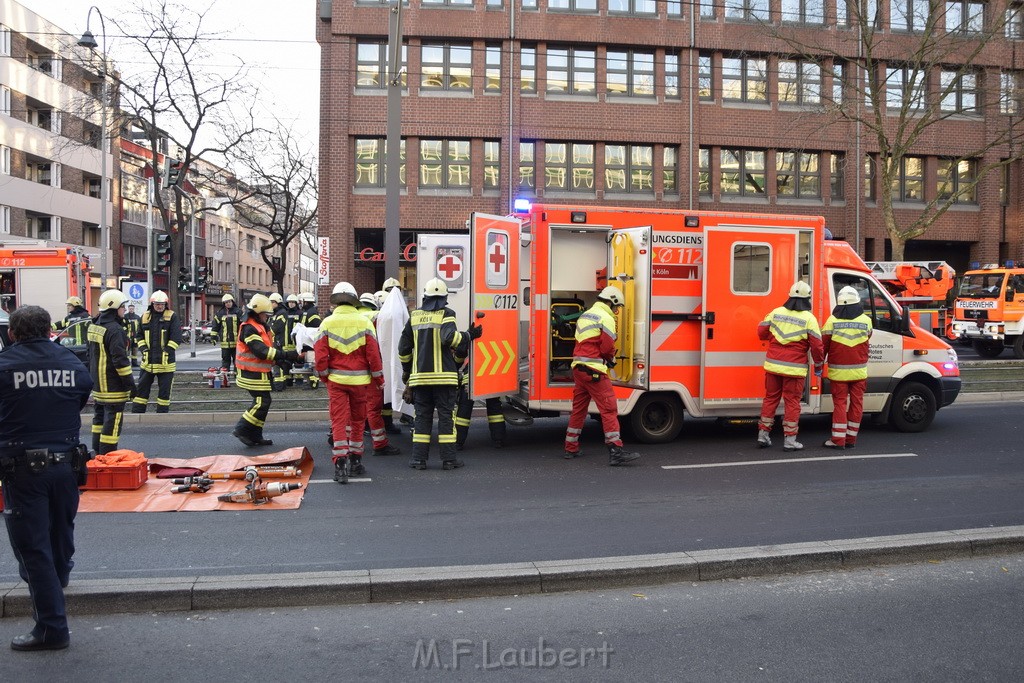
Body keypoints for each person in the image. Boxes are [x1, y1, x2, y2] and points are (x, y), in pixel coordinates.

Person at [0, 306, 92, 652]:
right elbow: (81, 397)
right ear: (50, 329)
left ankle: (51, 628)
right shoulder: (70, 361)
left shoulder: (5, 364)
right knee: (61, 527)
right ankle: (61, 575)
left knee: (33, 550)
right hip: (66, 465)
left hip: (23, 469)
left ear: (13, 332)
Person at [398, 278, 481, 470]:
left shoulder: (415, 316)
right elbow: (450, 338)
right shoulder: (447, 313)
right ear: (444, 298)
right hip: (444, 380)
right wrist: (469, 335)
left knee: (422, 419)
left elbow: (403, 349)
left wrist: (407, 373)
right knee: (445, 419)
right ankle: (448, 459)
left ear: (425, 297)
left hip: (420, 381)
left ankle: (418, 459)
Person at [315, 282, 387, 482]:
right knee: (357, 421)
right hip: (360, 382)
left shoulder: (326, 323)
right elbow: (374, 355)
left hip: (336, 381)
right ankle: (355, 461)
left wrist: (324, 376)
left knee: (339, 421)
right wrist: (379, 379)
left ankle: (340, 463)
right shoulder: (364, 323)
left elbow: (320, 357)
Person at [562, 286, 640, 466]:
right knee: (609, 409)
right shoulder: (606, 317)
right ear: (611, 301)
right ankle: (616, 450)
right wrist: (610, 359)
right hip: (594, 370)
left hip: (579, 368)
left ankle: (570, 447)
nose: (616, 310)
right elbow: (606, 348)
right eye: (616, 306)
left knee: (579, 409)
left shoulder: (586, 314)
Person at [756, 280, 825, 452]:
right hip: (794, 369)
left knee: (770, 399)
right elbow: (817, 346)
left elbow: (761, 332)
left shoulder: (776, 312)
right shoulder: (809, 318)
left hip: (773, 366)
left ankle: (763, 436)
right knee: (792, 403)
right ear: (807, 299)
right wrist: (818, 365)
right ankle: (790, 440)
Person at [232, 294, 299, 448]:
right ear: (258, 312)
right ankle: (241, 429)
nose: (267, 318)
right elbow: (262, 352)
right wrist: (288, 355)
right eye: (266, 315)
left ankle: (255, 435)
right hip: (251, 373)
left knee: (264, 402)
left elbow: (269, 350)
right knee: (262, 401)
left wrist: (284, 359)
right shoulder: (249, 328)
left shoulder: (259, 325)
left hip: (257, 372)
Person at [822, 286, 873, 450]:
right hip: (859, 372)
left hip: (838, 373)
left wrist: (818, 364)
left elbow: (824, 345)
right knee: (857, 404)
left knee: (840, 405)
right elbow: (868, 337)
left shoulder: (832, 321)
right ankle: (851, 439)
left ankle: (837, 440)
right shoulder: (866, 320)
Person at [87, 289, 136, 454]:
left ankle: (97, 455)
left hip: (98, 386)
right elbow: (120, 361)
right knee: (112, 424)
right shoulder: (115, 330)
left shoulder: (94, 326)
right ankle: (108, 457)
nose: (124, 309)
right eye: (123, 306)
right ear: (114, 308)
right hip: (113, 387)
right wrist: (130, 384)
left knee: (99, 420)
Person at [358, 292, 401, 456]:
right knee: (373, 409)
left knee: (348, 408)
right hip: (370, 371)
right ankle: (380, 444)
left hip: (347, 372)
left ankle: (336, 437)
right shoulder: (378, 317)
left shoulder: (347, 319)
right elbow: (376, 350)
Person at [130, 290, 181, 414]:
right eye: (157, 304)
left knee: (164, 393)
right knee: (141, 391)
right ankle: (137, 414)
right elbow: (139, 335)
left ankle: (162, 416)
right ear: (152, 304)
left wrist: (167, 351)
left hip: (166, 364)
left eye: (162, 304)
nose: (159, 306)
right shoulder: (145, 317)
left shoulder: (172, 316)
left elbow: (176, 338)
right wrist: (144, 350)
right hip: (148, 363)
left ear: (166, 304)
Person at [454, 345, 506, 451]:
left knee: (464, 412)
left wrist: (456, 363)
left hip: (471, 379)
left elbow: (460, 354)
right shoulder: (495, 335)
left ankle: (458, 442)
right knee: (495, 410)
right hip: (491, 375)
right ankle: (498, 440)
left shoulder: (473, 332)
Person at [380, 278, 406, 431]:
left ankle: (385, 424)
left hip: (381, 360)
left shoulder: (380, 311)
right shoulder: (401, 310)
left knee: (384, 392)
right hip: (395, 359)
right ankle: (387, 423)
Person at [298, 292, 323, 389]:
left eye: (302, 301)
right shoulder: (308, 311)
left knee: (312, 364)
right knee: (309, 364)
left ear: (305, 301)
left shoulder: (312, 312)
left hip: (311, 343)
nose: (301, 303)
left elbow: (317, 326)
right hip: (307, 343)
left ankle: (313, 383)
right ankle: (310, 382)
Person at [211, 293, 241, 372]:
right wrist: (213, 337)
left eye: (229, 302)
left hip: (236, 343)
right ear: (224, 303)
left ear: (232, 302)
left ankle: (237, 377)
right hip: (225, 344)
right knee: (225, 363)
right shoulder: (220, 313)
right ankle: (225, 378)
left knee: (237, 362)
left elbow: (243, 326)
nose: (228, 303)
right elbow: (215, 326)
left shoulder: (238, 312)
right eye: (226, 302)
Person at [268, 292, 289, 392]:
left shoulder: (282, 313)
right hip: (275, 342)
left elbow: (275, 328)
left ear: (278, 302)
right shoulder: (275, 314)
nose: (271, 304)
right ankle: (280, 385)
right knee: (278, 364)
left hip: (278, 342)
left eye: (272, 302)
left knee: (278, 364)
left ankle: (279, 385)